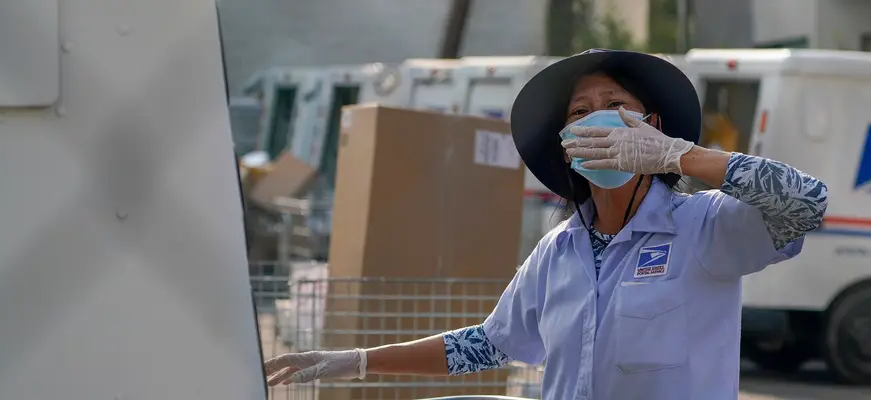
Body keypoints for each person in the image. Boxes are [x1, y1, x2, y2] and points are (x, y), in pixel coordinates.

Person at [262, 49, 828, 399]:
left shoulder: (706, 228)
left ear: (650, 124)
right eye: (580, 113)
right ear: (566, 142)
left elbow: (808, 202)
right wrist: (358, 361)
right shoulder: (559, 250)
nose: (595, 118)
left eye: (614, 104)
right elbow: (488, 345)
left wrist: (679, 156)